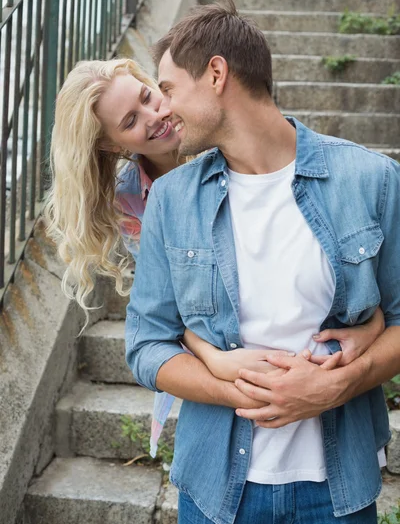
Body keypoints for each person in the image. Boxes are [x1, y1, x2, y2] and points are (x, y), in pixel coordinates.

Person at [125, 0, 400, 524]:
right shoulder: (173, 198)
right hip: (216, 491)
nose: (164, 109)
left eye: (169, 89)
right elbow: (146, 344)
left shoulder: (371, 180)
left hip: (337, 492)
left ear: (217, 73)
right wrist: (237, 386)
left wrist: (342, 382)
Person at [46, 57, 384, 458]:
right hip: (212, 364)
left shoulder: (221, 138)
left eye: (148, 97)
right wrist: (215, 360)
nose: (155, 116)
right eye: (130, 122)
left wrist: (372, 323)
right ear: (110, 144)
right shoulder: (131, 198)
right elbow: (169, 308)